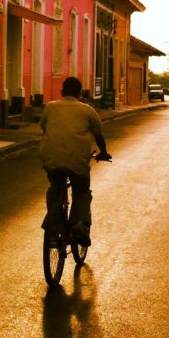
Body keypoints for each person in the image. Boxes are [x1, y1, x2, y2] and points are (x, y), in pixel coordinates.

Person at [39, 76, 111, 247]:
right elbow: (99, 135)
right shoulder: (87, 110)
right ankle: (79, 224)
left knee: (55, 188)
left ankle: (54, 226)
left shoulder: (50, 107)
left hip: (50, 159)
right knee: (82, 192)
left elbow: (44, 128)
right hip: (77, 161)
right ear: (80, 93)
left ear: (61, 92)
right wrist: (104, 153)